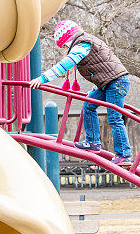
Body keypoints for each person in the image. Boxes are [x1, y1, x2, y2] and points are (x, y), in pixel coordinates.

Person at [30, 20, 132, 166]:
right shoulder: (84, 42)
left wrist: (43, 78)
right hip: (108, 83)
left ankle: (124, 154)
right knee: (89, 104)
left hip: (116, 83)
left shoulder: (82, 44)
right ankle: (93, 141)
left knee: (114, 117)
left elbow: (67, 63)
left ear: (67, 41)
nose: (65, 49)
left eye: (64, 46)